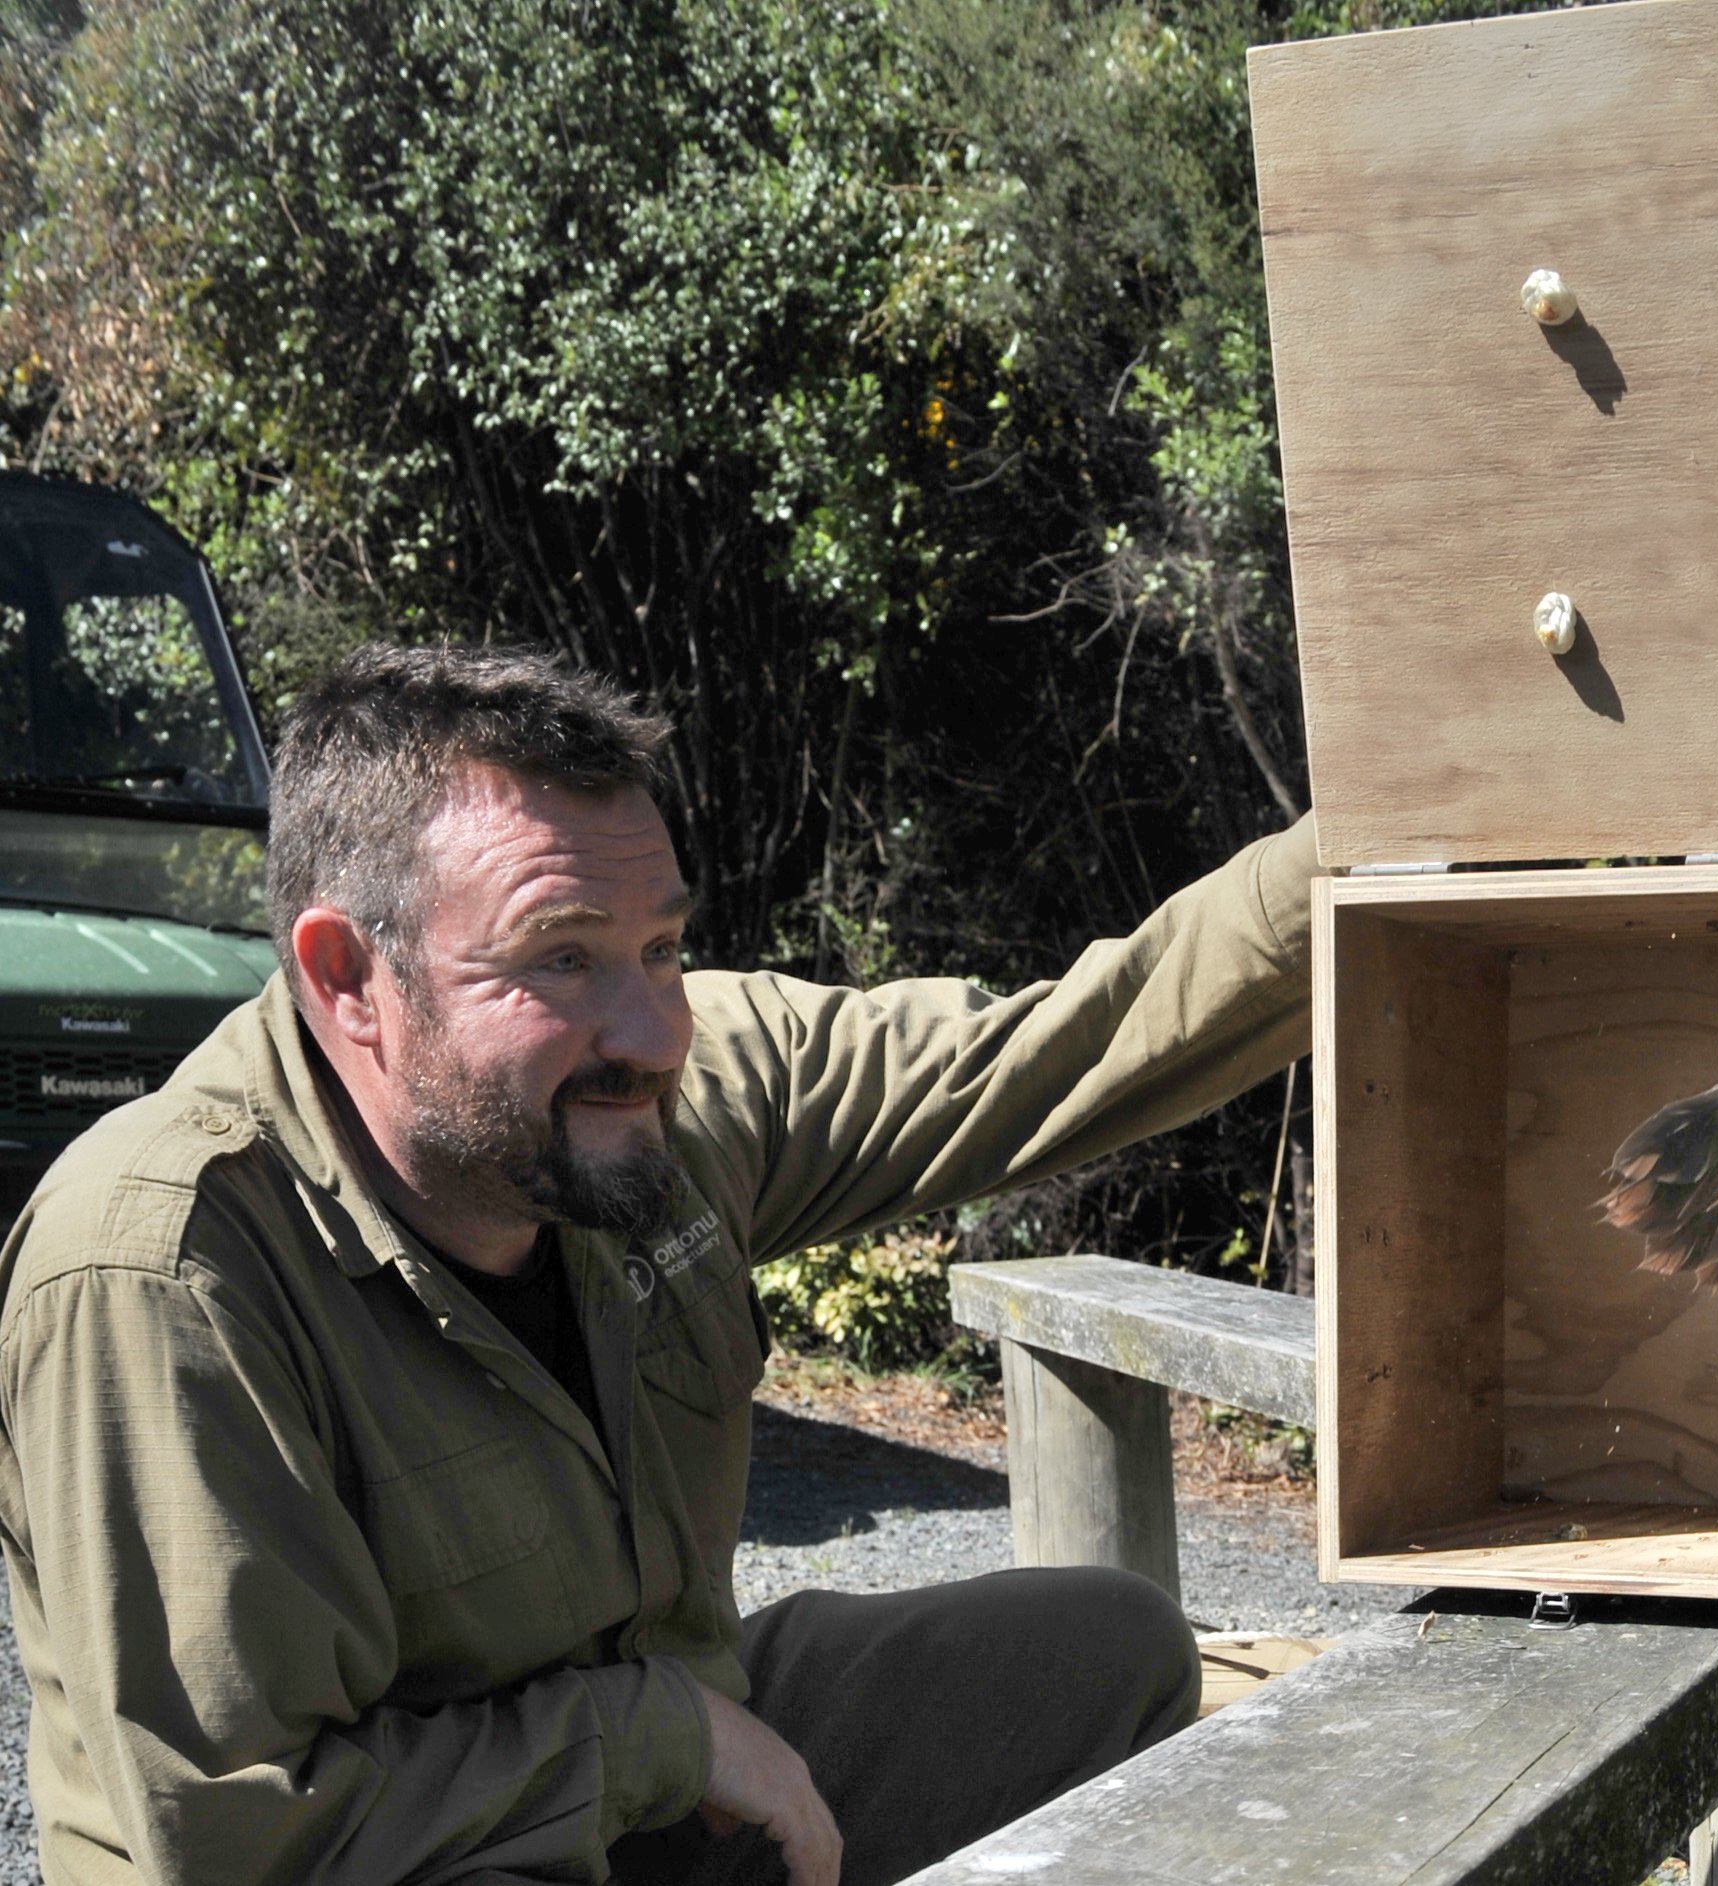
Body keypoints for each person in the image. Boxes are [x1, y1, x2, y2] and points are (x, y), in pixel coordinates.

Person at [0, 643, 1320, 1885]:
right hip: (410, 1852)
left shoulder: (654, 1096)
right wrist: (652, 1737)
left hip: (661, 1784)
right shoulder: (163, 1269)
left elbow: (1069, 1045)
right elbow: (242, 1836)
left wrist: (1393, 836)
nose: (655, 1027)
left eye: (665, 945)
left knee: (1103, 1650)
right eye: (561, 956)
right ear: (349, 976)